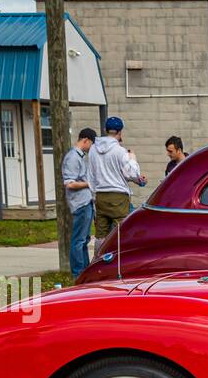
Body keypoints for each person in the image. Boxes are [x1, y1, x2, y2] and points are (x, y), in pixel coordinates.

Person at [88, 116, 146, 240]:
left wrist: (94, 195)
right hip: (118, 197)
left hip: (100, 196)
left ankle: (99, 257)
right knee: (119, 235)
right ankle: (117, 259)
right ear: (120, 132)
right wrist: (132, 158)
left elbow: (91, 175)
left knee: (100, 235)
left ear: (106, 130)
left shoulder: (93, 149)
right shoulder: (120, 151)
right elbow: (132, 174)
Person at [62, 127, 96, 280]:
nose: (92, 149)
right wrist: (88, 184)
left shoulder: (80, 157)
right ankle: (78, 273)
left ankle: (85, 271)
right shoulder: (72, 158)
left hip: (86, 201)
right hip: (80, 203)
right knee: (78, 240)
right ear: (85, 140)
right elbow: (69, 183)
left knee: (85, 239)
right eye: (91, 145)